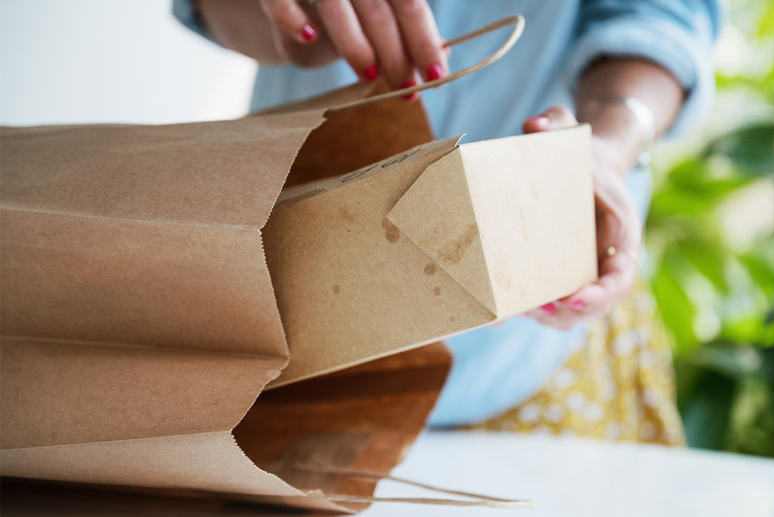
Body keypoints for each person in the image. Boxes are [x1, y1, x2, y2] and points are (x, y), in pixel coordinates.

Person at [175, 0, 721, 444]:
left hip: (523, 366)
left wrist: (609, 143)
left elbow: (661, 18)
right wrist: (289, 18)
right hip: (286, 333)